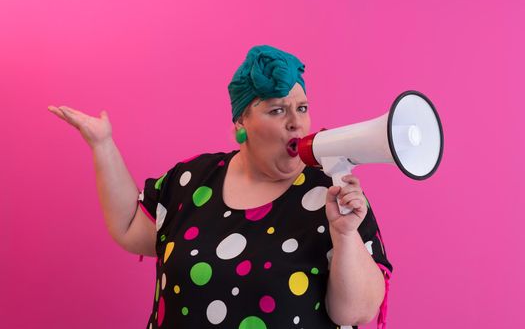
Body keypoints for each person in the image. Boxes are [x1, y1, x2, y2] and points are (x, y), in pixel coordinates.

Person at [48, 45, 393, 329]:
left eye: (302, 108)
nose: (296, 122)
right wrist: (103, 145)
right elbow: (129, 229)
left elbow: (357, 312)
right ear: (242, 121)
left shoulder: (331, 195)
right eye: (277, 110)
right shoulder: (192, 179)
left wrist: (346, 235)